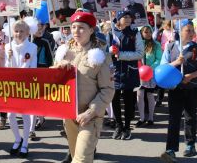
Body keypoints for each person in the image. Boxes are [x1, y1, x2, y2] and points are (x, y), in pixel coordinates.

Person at [52, 10, 114, 162]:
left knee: (81, 160)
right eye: (73, 27)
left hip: (89, 118)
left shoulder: (100, 56)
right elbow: (51, 81)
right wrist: (58, 67)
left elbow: (108, 89)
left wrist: (91, 112)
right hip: (68, 115)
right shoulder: (64, 52)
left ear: (91, 30)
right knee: (75, 157)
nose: (76, 31)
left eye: (81, 27)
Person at [160, 20, 197, 162]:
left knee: (190, 117)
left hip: (192, 87)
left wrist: (191, 76)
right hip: (175, 88)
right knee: (174, 118)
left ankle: (190, 144)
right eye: (188, 30)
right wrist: (176, 62)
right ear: (179, 32)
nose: (191, 32)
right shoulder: (170, 47)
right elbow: (163, 67)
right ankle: (171, 149)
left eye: (192, 30)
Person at [5, 20, 38, 158]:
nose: (18, 34)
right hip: (11, 86)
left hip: (25, 85)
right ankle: (17, 139)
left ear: (27, 32)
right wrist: (9, 57)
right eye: (16, 31)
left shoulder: (32, 46)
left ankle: (25, 143)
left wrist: (23, 74)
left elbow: (33, 66)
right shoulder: (8, 46)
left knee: (25, 115)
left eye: (22, 31)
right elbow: (6, 68)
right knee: (10, 115)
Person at [110, 10, 144, 140]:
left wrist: (122, 55)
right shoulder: (111, 32)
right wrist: (110, 51)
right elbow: (104, 51)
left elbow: (140, 53)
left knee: (129, 100)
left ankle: (127, 126)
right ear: (119, 19)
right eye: (125, 16)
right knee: (115, 99)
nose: (128, 18)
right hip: (115, 71)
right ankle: (118, 125)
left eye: (130, 16)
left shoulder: (135, 33)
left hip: (130, 71)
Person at [136, 25, 161, 127]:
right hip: (139, 73)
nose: (148, 34)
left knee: (150, 95)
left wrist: (150, 68)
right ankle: (142, 118)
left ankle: (151, 117)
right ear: (141, 33)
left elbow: (159, 59)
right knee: (140, 95)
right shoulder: (137, 44)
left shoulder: (156, 45)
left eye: (150, 32)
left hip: (150, 73)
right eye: (146, 32)